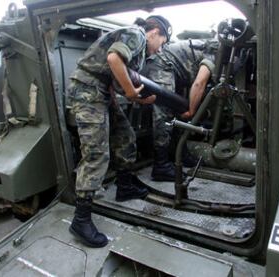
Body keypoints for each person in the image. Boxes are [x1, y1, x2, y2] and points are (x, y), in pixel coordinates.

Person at [67, 15, 172, 248]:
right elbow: (114, 59)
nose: (161, 48)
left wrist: (136, 98)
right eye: (162, 42)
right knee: (96, 154)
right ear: (154, 32)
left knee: (125, 136)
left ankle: (125, 186)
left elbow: (116, 77)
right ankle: (81, 219)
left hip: (103, 93)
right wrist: (132, 94)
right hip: (88, 91)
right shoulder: (137, 34)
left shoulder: (140, 46)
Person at [141, 38, 218, 181]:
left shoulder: (214, 49)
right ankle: (161, 165)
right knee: (164, 115)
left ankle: (181, 155)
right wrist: (192, 110)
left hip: (175, 71)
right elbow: (199, 83)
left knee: (179, 113)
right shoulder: (216, 53)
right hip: (163, 65)